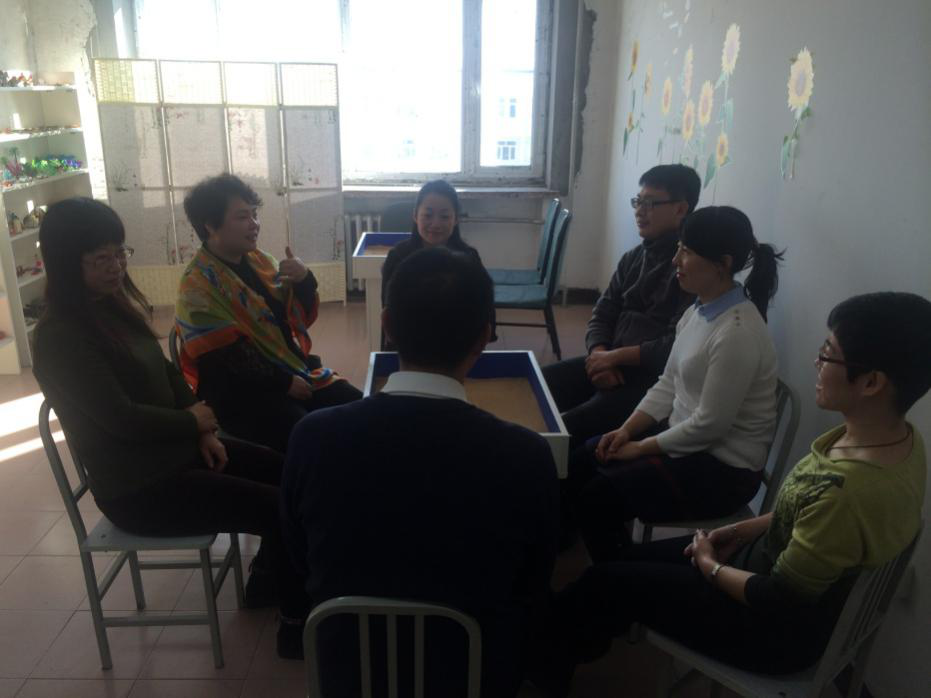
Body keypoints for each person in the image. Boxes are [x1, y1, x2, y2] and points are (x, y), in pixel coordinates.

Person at [537, 292, 930, 695]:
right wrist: (741, 531)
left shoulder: (849, 492)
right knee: (619, 568)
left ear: (871, 383)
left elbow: (780, 598)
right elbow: (804, 509)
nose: (817, 363)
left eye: (828, 354)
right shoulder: (897, 441)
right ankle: (569, 638)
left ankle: (544, 661)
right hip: (763, 566)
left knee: (605, 583)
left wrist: (710, 565)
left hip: (769, 629)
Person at [31, 197, 310, 660]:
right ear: (64, 264)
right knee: (279, 507)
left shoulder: (110, 306)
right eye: (100, 259)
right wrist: (191, 421)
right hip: (140, 488)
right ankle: (296, 628)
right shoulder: (60, 336)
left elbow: (167, 372)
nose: (116, 267)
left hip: (179, 452)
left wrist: (201, 429)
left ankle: (266, 583)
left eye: (119, 253)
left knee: (290, 474)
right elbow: (120, 418)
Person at [282, 247, 559, 697]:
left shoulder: (312, 438)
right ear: (484, 336)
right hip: (471, 675)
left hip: (349, 672)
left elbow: (301, 558)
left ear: (388, 325)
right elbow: (532, 581)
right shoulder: (525, 455)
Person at [568, 206, 783, 563]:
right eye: (679, 248)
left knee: (598, 497)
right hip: (686, 441)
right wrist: (626, 430)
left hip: (723, 471)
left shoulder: (737, 333)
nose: (675, 260)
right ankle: (570, 549)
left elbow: (710, 426)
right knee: (584, 458)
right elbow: (668, 383)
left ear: (723, 264)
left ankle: (619, 581)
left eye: (687, 251)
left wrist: (640, 448)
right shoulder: (698, 310)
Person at [175, 174, 361, 453]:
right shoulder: (197, 288)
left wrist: (304, 279)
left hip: (289, 370)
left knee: (358, 405)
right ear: (210, 225)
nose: (254, 224)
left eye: (254, 214)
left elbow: (293, 318)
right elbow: (225, 359)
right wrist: (283, 383)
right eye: (243, 217)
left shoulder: (260, 261)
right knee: (308, 434)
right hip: (239, 394)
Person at [542, 165, 699, 449]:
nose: (640, 211)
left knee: (568, 430)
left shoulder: (691, 271)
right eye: (638, 201)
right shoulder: (633, 258)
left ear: (680, 209)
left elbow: (675, 347)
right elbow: (602, 313)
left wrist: (614, 358)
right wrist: (599, 354)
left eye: (650, 203)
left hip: (650, 383)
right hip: (609, 363)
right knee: (536, 385)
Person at [380, 179, 495, 347]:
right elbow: (389, 309)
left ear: (456, 219)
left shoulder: (469, 258)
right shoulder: (397, 257)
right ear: (415, 216)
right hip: (410, 345)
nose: (435, 224)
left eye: (445, 216)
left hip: (456, 345)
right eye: (427, 215)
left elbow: (484, 308)